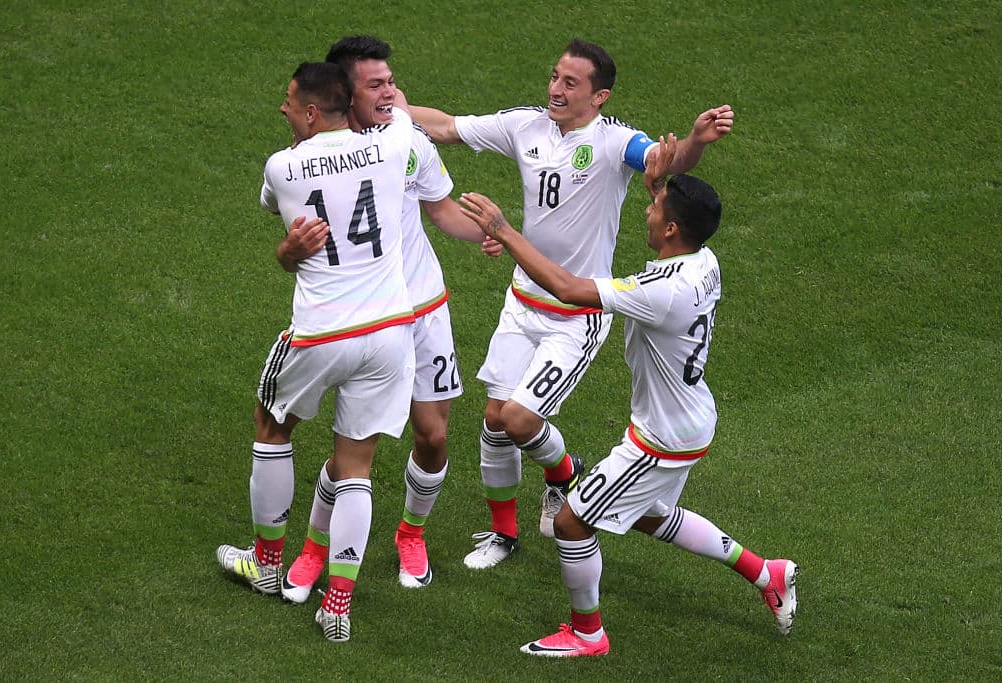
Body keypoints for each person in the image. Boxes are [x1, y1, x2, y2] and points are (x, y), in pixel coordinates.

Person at [457, 140, 798, 657]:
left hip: (660, 438)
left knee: (572, 522)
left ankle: (587, 634)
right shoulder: (704, 260)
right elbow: (663, 241)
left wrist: (504, 232)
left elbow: (569, 290)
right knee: (651, 515)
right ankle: (765, 572)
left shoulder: (664, 291)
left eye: (655, 209)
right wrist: (660, 186)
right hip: (690, 419)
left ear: (671, 231)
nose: (646, 208)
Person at [411, 38, 735, 569]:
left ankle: (564, 474)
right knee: (493, 420)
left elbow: (662, 161)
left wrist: (696, 142)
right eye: (555, 77)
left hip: (575, 317)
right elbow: (446, 126)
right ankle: (504, 534)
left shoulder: (613, 143)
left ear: (599, 96)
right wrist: (390, 111)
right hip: (522, 300)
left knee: (517, 419)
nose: (555, 89)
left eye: (570, 83)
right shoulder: (525, 126)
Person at [277, 36, 502, 602]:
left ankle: (411, 533)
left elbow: (442, 208)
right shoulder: (327, 156)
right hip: (372, 318)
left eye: (390, 80)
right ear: (343, 93)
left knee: (432, 434)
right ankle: (313, 550)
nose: (393, 92)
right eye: (376, 84)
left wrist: (493, 233)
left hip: (424, 309)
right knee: (355, 447)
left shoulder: (406, 139)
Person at [216, 60, 417, 643]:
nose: (282, 109)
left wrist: (289, 246)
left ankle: (267, 563)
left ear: (310, 110)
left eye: (288, 101)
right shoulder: (394, 140)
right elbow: (396, 109)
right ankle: (337, 603)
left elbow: (282, 220)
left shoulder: (282, 166)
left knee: (271, 424)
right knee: (355, 468)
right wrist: (386, 96)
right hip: (389, 333)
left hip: (321, 333)